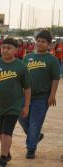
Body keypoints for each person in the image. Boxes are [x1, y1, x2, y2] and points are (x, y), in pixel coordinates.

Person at [0, 38, 31, 167]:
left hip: (14, 105)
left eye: (9, 48)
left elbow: (27, 88)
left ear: (16, 50)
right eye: (3, 47)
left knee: (6, 132)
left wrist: (26, 105)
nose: (5, 50)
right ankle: (7, 153)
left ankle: (2, 160)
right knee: (1, 132)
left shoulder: (21, 66)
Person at [19, 30, 60, 159]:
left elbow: (55, 78)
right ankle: (35, 136)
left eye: (43, 41)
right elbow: (22, 77)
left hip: (42, 97)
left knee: (35, 123)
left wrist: (52, 95)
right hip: (25, 96)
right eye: (38, 40)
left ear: (48, 45)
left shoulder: (51, 59)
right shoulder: (27, 57)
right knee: (22, 118)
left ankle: (31, 148)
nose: (40, 43)